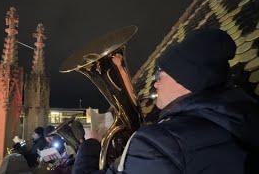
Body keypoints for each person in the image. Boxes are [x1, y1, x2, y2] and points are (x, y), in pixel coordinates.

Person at [72, 28, 259, 174]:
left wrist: (89, 145)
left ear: (185, 79)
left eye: (160, 74)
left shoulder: (156, 143)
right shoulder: (244, 119)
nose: (155, 83)